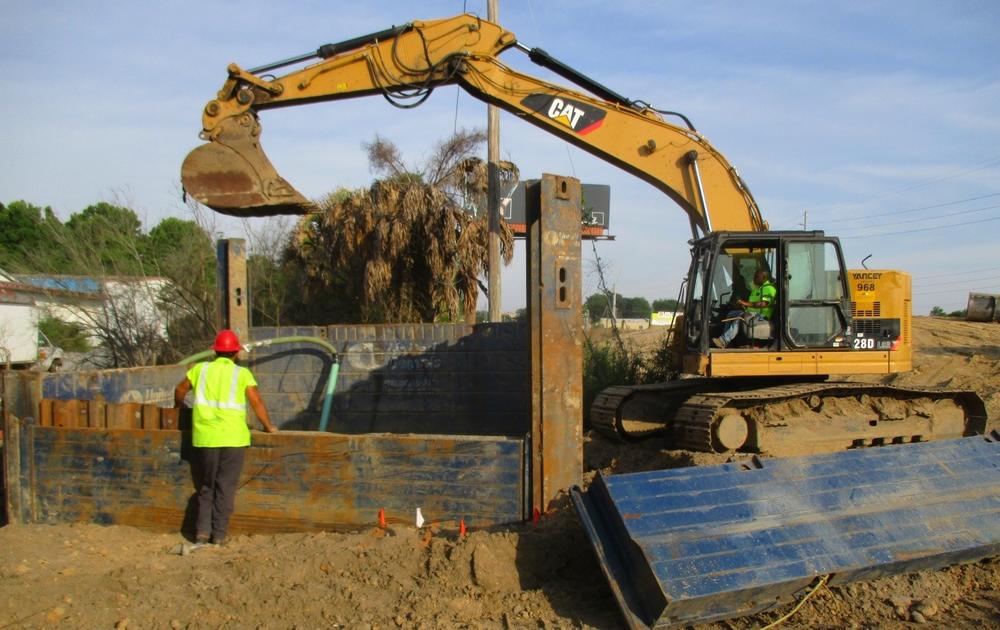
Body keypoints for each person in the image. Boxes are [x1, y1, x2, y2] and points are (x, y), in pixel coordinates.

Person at [174, 329, 278, 545]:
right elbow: (256, 402)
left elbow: (180, 389)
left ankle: (202, 533)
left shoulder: (199, 370)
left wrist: (179, 407)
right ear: (236, 353)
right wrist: (268, 426)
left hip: (206, 437)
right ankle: (219, 535)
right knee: (226, 487)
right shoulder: (242, 374)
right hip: (233, 438)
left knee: (206, 486)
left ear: (215, 352)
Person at [712, 269, 777, 349]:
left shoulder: (768, 288)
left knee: (741, 318)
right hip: (752, 313)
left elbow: (763, 304)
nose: (754, 278)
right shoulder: (758, 289)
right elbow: (752, 303)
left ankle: (724, 340)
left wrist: (746, 303)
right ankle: (728, 342)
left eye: (757, 277)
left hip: (762, 316)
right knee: (731, 314)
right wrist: (741, 305)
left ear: (764, 277)